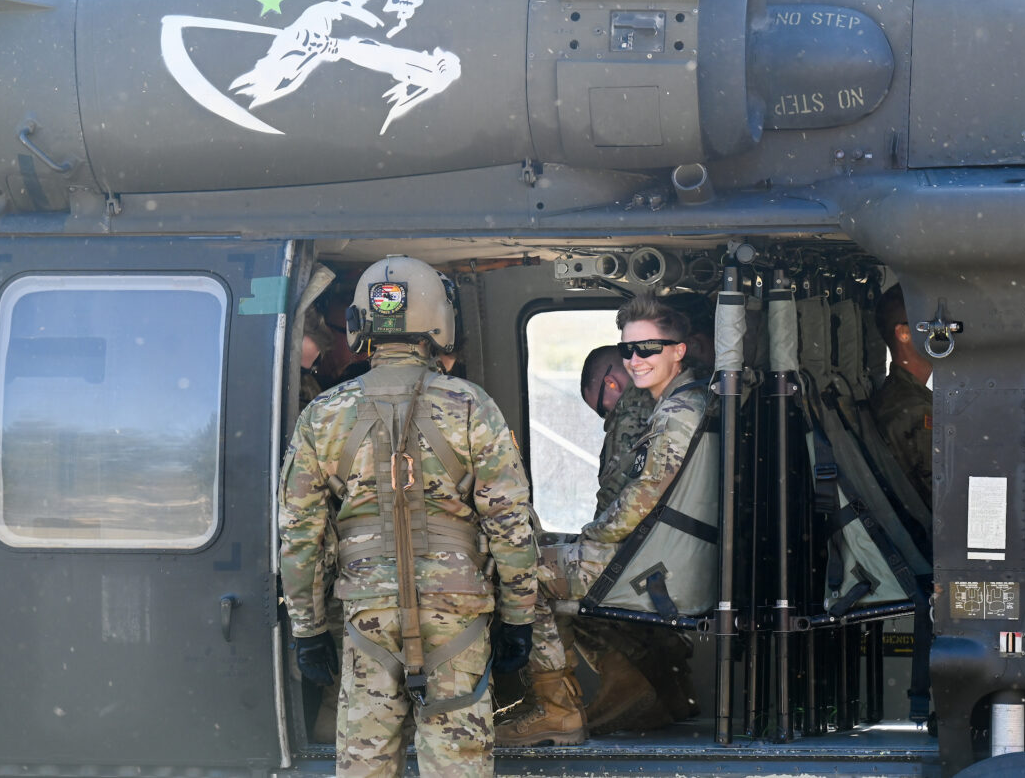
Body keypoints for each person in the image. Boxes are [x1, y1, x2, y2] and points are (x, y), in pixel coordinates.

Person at [279, 255, 538, 778]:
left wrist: (307, 629)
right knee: (457, 763)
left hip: (366, 612)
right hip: (457, 610)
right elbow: (511, 525)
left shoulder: (322, 415)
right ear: (439, 322)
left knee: (366, 762)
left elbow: (300, 533)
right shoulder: (472, 406)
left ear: (360, 325)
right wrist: (518, 618)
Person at [495, 295, 709, 746]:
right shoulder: (683, 400)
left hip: (658, 566)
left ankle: (556, 710)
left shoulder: (677, 413)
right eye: (629, 349)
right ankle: (655, 688)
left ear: (678, 350)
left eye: (648, 348)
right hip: (660, 553)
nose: (636, 359)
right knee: (547, 549)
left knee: (522, 572)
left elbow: (639, 500)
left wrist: (590, 537)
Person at [569, 345, 699, 734]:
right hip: (674, 551)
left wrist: (586, 539)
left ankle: (569, 703)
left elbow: (617, 499)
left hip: (650, 556)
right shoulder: (683, 397)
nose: (606, 416)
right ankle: (667, 687)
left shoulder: (632, 413)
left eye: (602, 407)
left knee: (537, 578)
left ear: (611, 383)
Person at [871, 283, 933, 510]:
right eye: (931, 324)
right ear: (904, 334)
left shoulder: (906, 398)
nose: (943, 331)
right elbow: (944, 497)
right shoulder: (914, 410)